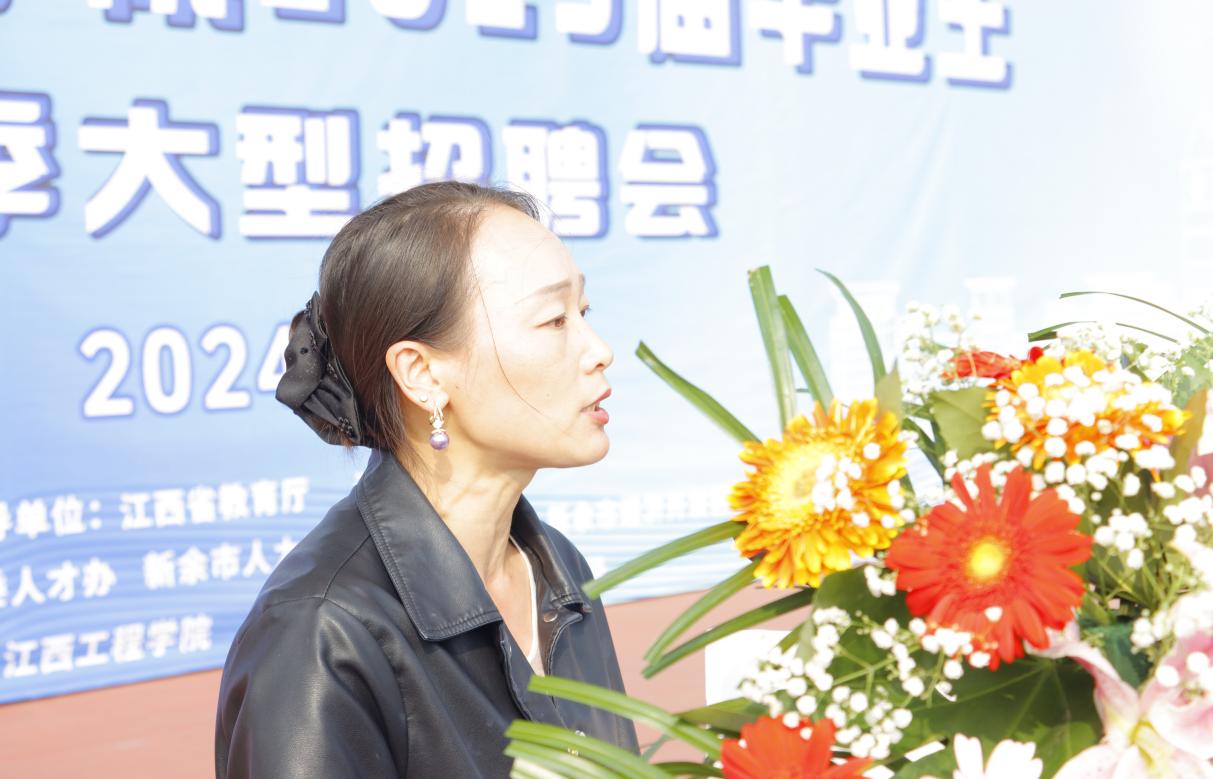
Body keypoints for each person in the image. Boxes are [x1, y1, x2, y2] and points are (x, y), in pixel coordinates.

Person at [214, 181, 639, 777]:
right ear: (422, 374)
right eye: (553, 321)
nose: (599, 351)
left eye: (584, 313)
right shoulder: (320, 631)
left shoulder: (556, 570)